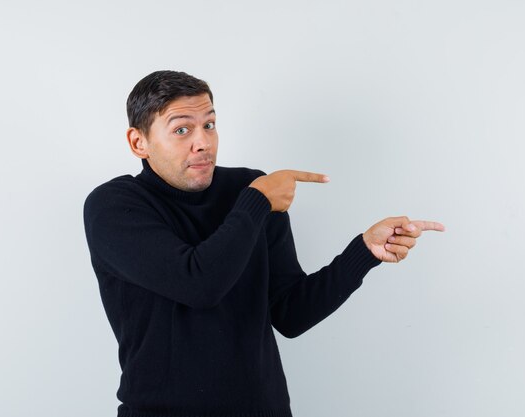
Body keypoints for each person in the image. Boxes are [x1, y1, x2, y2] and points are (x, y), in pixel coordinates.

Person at [82, 70, 445, 417]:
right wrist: (256, 202)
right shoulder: (115, 206)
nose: (203, 142)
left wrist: (363, 252)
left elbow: (290, 314)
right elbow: (198, 283)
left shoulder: (251, 190)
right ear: (138, 142)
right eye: (182, 129)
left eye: (209, 124)